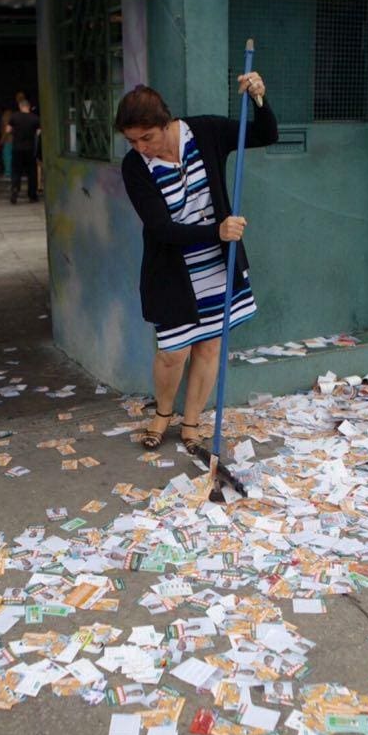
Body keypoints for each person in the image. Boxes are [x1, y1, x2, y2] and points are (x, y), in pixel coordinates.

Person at [115, 73, 277, 452]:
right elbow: (161, 228)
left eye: (147, 138)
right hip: (173, 268)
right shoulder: (135, 167)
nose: (141, 148)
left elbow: (265, 133)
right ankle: (162, 415)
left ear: (167, 123)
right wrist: (216, 232)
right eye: (132, 141)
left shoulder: (205, 132)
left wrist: (259, 98)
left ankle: (191, 424)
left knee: (209, 348)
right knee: (173, 352)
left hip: (219, 263)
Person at [5, 97, 40, 204]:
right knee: (32, 173)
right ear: (28, 107)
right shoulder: (35, 118)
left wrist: (15, 134)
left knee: (16, 171)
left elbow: (7, 130)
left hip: (17, 148)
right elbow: (38, 133)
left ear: (20, 106)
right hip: (30, 149)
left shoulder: (14, 116)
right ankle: (32, 195)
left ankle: (15, 189)